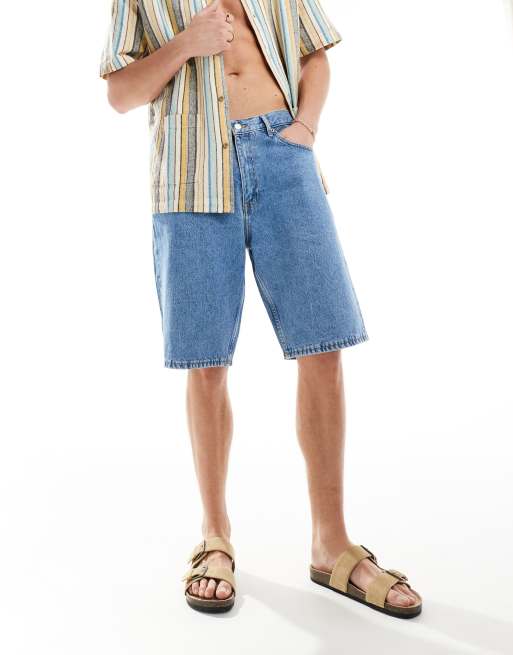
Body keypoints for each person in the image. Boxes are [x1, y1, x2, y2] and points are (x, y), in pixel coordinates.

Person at [99, 0, 422, 618]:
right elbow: (120, 93)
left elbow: (314, 55)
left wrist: (305, 130)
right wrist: (185, 44)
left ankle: (331, 545)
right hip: (191, 169)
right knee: (206, 361)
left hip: (283, 154)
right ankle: (214, 538)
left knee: (323, 345)